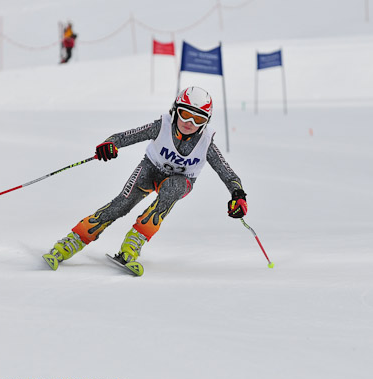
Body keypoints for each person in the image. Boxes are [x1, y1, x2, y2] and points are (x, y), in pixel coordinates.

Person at [42, 87, 248, 276]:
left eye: (198, 119)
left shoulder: (205, 143)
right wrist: (109, 145)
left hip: (182, 180)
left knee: (172, 188)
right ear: (175, 110)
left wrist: (238, 195)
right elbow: (123, 137)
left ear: (206, 122)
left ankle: (132, 245)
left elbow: (228, 174)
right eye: (185, 114)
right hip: (150, 170)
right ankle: (70, 243)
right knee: (121, 204)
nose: (189, 123)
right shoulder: (162, 126)